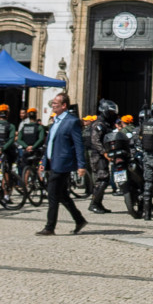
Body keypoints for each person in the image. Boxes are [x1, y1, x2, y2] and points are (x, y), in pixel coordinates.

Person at [38, 92, 88, 235]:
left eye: (55, 103)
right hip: (52, 161)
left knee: (52, 193)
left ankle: (49, 227)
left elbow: (79, 145)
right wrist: (43, 161)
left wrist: (81, 165)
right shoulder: (55, 121)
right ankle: (79, 219)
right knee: (61, 194)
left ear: (64, 105)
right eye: (53, 103)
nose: (53, 105)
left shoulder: (72, 121)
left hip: (63, 163)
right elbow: (49, 143)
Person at [87, 99, 117, 213]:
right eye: (110, 112)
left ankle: (98, 203)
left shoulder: (106, 124)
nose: (112, 115)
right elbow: (96, 141)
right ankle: (94, 204)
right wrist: (104, 153)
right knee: (102, 179)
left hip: (103, 155)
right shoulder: (98, 124)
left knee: (104, 179)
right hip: (98, 155)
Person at [16, 107, 45, 183]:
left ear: (28, 116)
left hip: (26, 151)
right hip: (36, 150)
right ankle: (42, 187)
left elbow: (19, 139)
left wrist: (26, 147)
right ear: (36, 116)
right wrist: (34, 147)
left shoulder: (24, 127)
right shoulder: (39, 127)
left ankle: (25, 188)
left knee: (26, 169)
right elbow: (41, 139)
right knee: (40, 167)